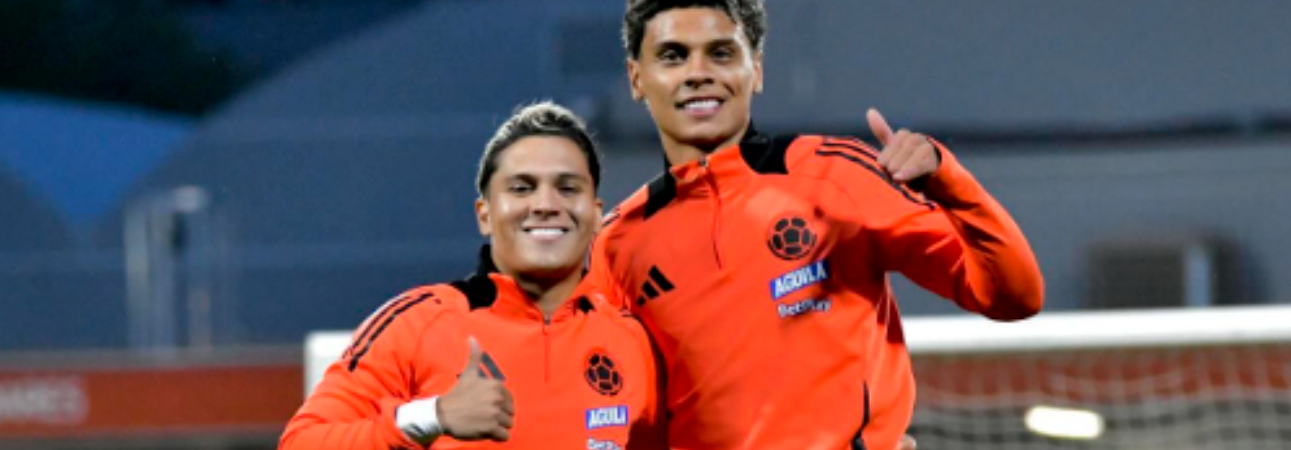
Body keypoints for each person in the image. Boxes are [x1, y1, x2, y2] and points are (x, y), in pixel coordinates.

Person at [587, 1, 1045, 449]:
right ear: (636, 79)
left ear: (757, 69)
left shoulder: (837, 175)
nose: (698, 73)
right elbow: (598, 407)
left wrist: (948, 181)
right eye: (673, 55)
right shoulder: (615, 245)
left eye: (721, 53)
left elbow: (1012, 296)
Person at [280, 102, 664, 450]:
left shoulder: (638, 340)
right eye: (521, 188)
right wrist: (432, 417)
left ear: (597, 213)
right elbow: (301, 443)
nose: (546, 205)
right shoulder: (417, 323)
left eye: (567, 188)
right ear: (484, 214)